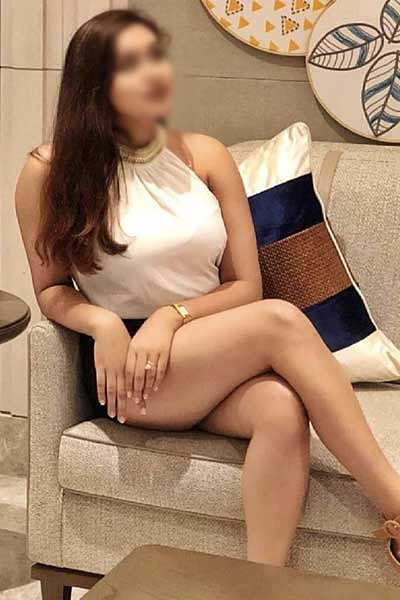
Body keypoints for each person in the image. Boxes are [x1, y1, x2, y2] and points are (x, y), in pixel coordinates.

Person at [14, 7, 400, 571]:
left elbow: (246, 286)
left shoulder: (206, 155)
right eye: (131, 63)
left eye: (156, 56)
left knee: (281, 409)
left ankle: (261, 584)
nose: (154, 72)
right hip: (135, 372)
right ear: (94, 84)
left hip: (213, 353)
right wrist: (101, 323)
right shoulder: (48, 171)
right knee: (281, 320)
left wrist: (172, 316)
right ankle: (396, 504)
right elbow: (50, 289)